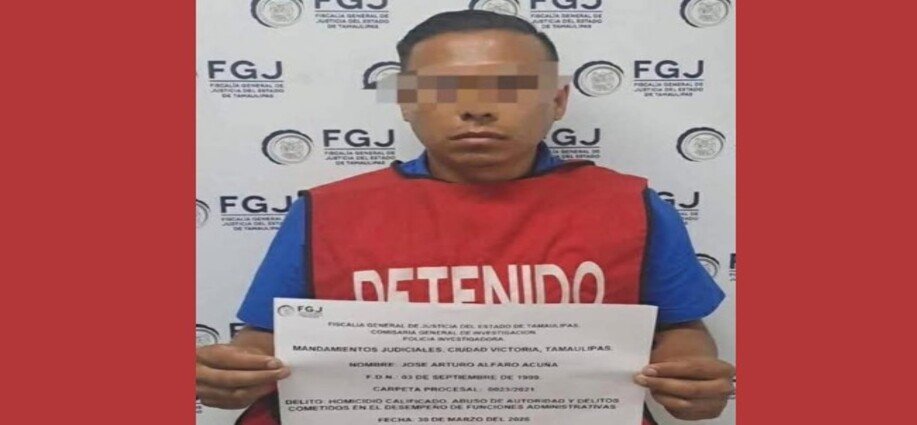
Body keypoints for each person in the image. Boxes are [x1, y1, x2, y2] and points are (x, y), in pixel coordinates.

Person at [196, 9, 735, 424]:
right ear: (406, 101)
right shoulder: (327, 210)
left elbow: (679, 327)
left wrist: (688, 376)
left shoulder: (628, 204)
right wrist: (237, 371)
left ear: (559, 100)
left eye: (511, 87)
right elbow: (265, 336)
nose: (477, 107)